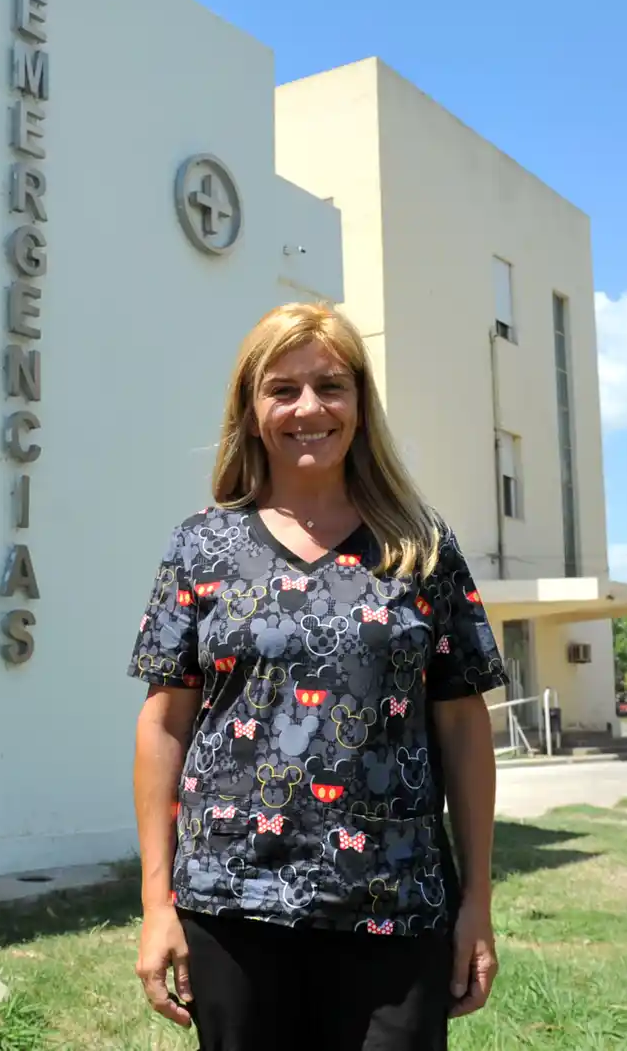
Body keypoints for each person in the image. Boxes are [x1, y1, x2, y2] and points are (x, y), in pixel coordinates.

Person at [129, 302, 506, 1051]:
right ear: (251, 407)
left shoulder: (421, 548)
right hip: (232, 906)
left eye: (331, 385)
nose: (310, 408)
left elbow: (463, 726)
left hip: (397, 907)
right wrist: (156, 902)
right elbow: (165, 723)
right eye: (283, 389)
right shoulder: (200, 547)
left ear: (361, 404)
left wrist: (477, 902)